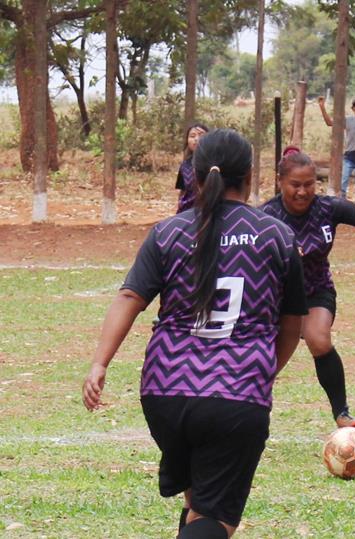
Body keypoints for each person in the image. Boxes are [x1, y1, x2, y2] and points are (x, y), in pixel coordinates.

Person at [82, 129, 307, 538]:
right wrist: (266, 370)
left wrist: (99, 363)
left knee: (197, 506)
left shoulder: (168, 232)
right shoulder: (277, 235)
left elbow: (130, 297)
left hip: (165, 392)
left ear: (195, 176)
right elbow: (293, 323)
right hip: (235, 395)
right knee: (215, 518)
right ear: (250, 175)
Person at [261, 146, 355, 429]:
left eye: (309, 184)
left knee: (319, 339)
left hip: (316, 291)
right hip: (275, 297)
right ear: (280, 183)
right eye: (295, 185)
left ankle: (342, 413)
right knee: (268, 361)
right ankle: (252, 405)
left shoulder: (328, 207)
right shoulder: (266, 215)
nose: (302, 192)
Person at [175, 122, 209, 213]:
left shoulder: (216, 163)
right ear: (187, 141)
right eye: (192, 136)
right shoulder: (185, 165)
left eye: (201, 135)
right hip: (188, 212)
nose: (196, 139)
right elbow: (183, 192)